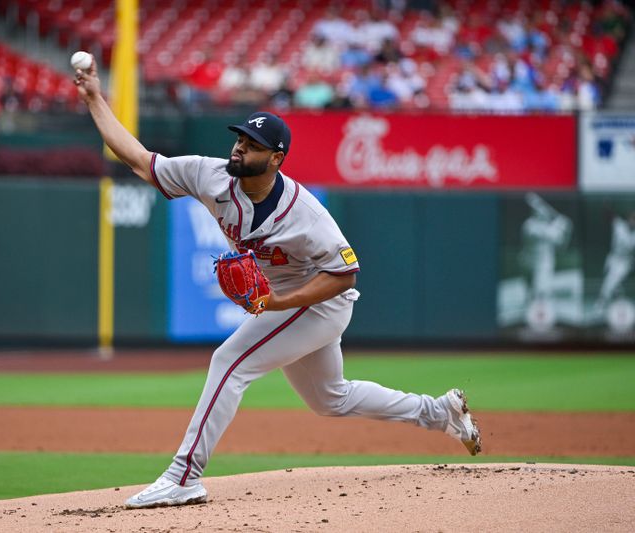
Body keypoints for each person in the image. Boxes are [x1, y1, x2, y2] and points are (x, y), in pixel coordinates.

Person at [73, 56, 481, 509]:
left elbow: (346, 272)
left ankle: (184, 475)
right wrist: (95, 98)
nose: (239, 149)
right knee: (331, 398)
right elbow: (136, 158)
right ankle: (439, 411)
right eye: (240, 139)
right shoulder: (209, 175)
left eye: (252, 144)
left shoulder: (305, 214)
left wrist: (283, 301)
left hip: (321, 298)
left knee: (229, 362)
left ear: (276, 157)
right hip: (294, 298)